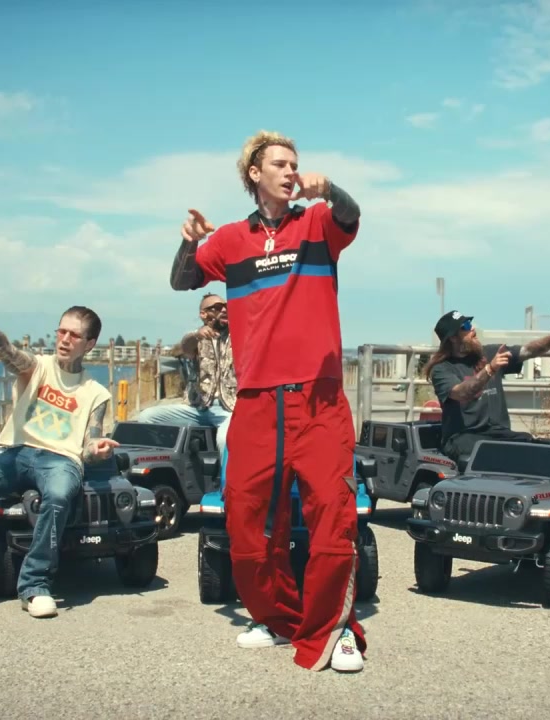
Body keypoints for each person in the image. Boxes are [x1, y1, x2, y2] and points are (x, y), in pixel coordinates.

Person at [167, 130, 366, 673]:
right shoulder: (232, 240)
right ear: (254, 174)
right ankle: (280, 619)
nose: (290, 171)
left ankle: (335, 630)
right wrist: (189, 241)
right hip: (257, 401)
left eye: (295, 164)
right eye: (279, 163)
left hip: (319, 396)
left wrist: (331, 189)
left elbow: (351, 214)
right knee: (245, 520)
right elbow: (183, 280)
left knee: (333, 516)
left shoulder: (317, 223)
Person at [0, 304, 118, 624]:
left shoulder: (95, 393)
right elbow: (8, 352)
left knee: (59, 494)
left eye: (74, 335)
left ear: (89, 343)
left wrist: (96, 450)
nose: (64, 339)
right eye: (61, 331)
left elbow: (87, 444)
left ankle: (35, 585)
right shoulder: (37, 367)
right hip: (16, 452)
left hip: (61, 460)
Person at [423, 311, 550, 468]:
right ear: (453, 338)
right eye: (466, 326)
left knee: (533, 448)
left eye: (470, 323)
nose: (472, 328)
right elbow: (461, 392)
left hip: (498, 433)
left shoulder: (489, 353)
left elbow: (528, 350)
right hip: (463, 437)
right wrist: (490, 369)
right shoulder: (442, 369)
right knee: (493, 453)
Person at [135, 292, 236, 449]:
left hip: (229, 408)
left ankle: (225, 466)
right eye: (217, 307)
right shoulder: (195, 338)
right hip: (197, 408)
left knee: (224, 440)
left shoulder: (237, 336)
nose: (223, 310)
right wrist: (197, 335)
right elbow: (185, 346)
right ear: (203, 314)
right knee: (146, 417)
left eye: (226, 307)